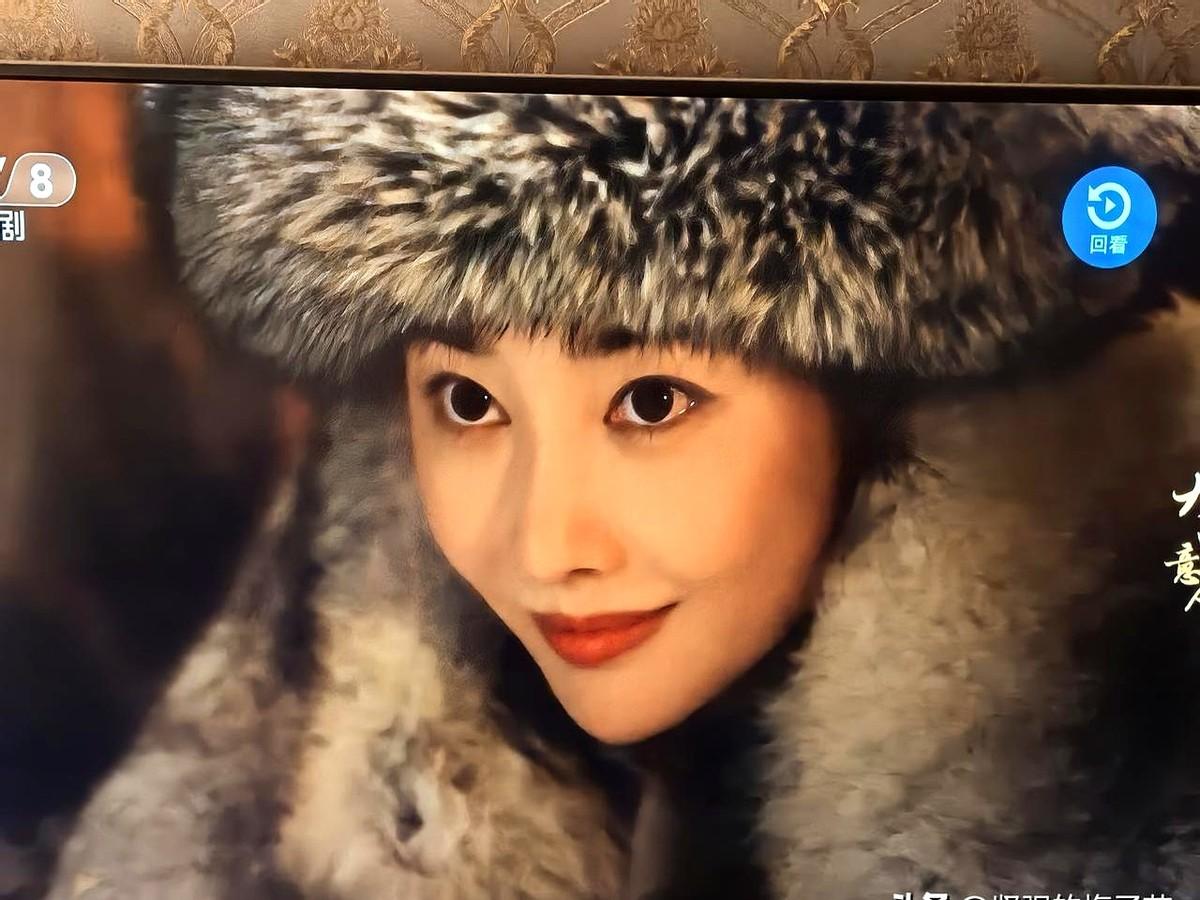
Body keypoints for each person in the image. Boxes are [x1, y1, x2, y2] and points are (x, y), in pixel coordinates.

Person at [40, 88, 1200, 899]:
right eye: (467, 401)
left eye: (651, 400)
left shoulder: (1139, 778)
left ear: (890, 403)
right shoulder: (300, 722)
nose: (545, 547)